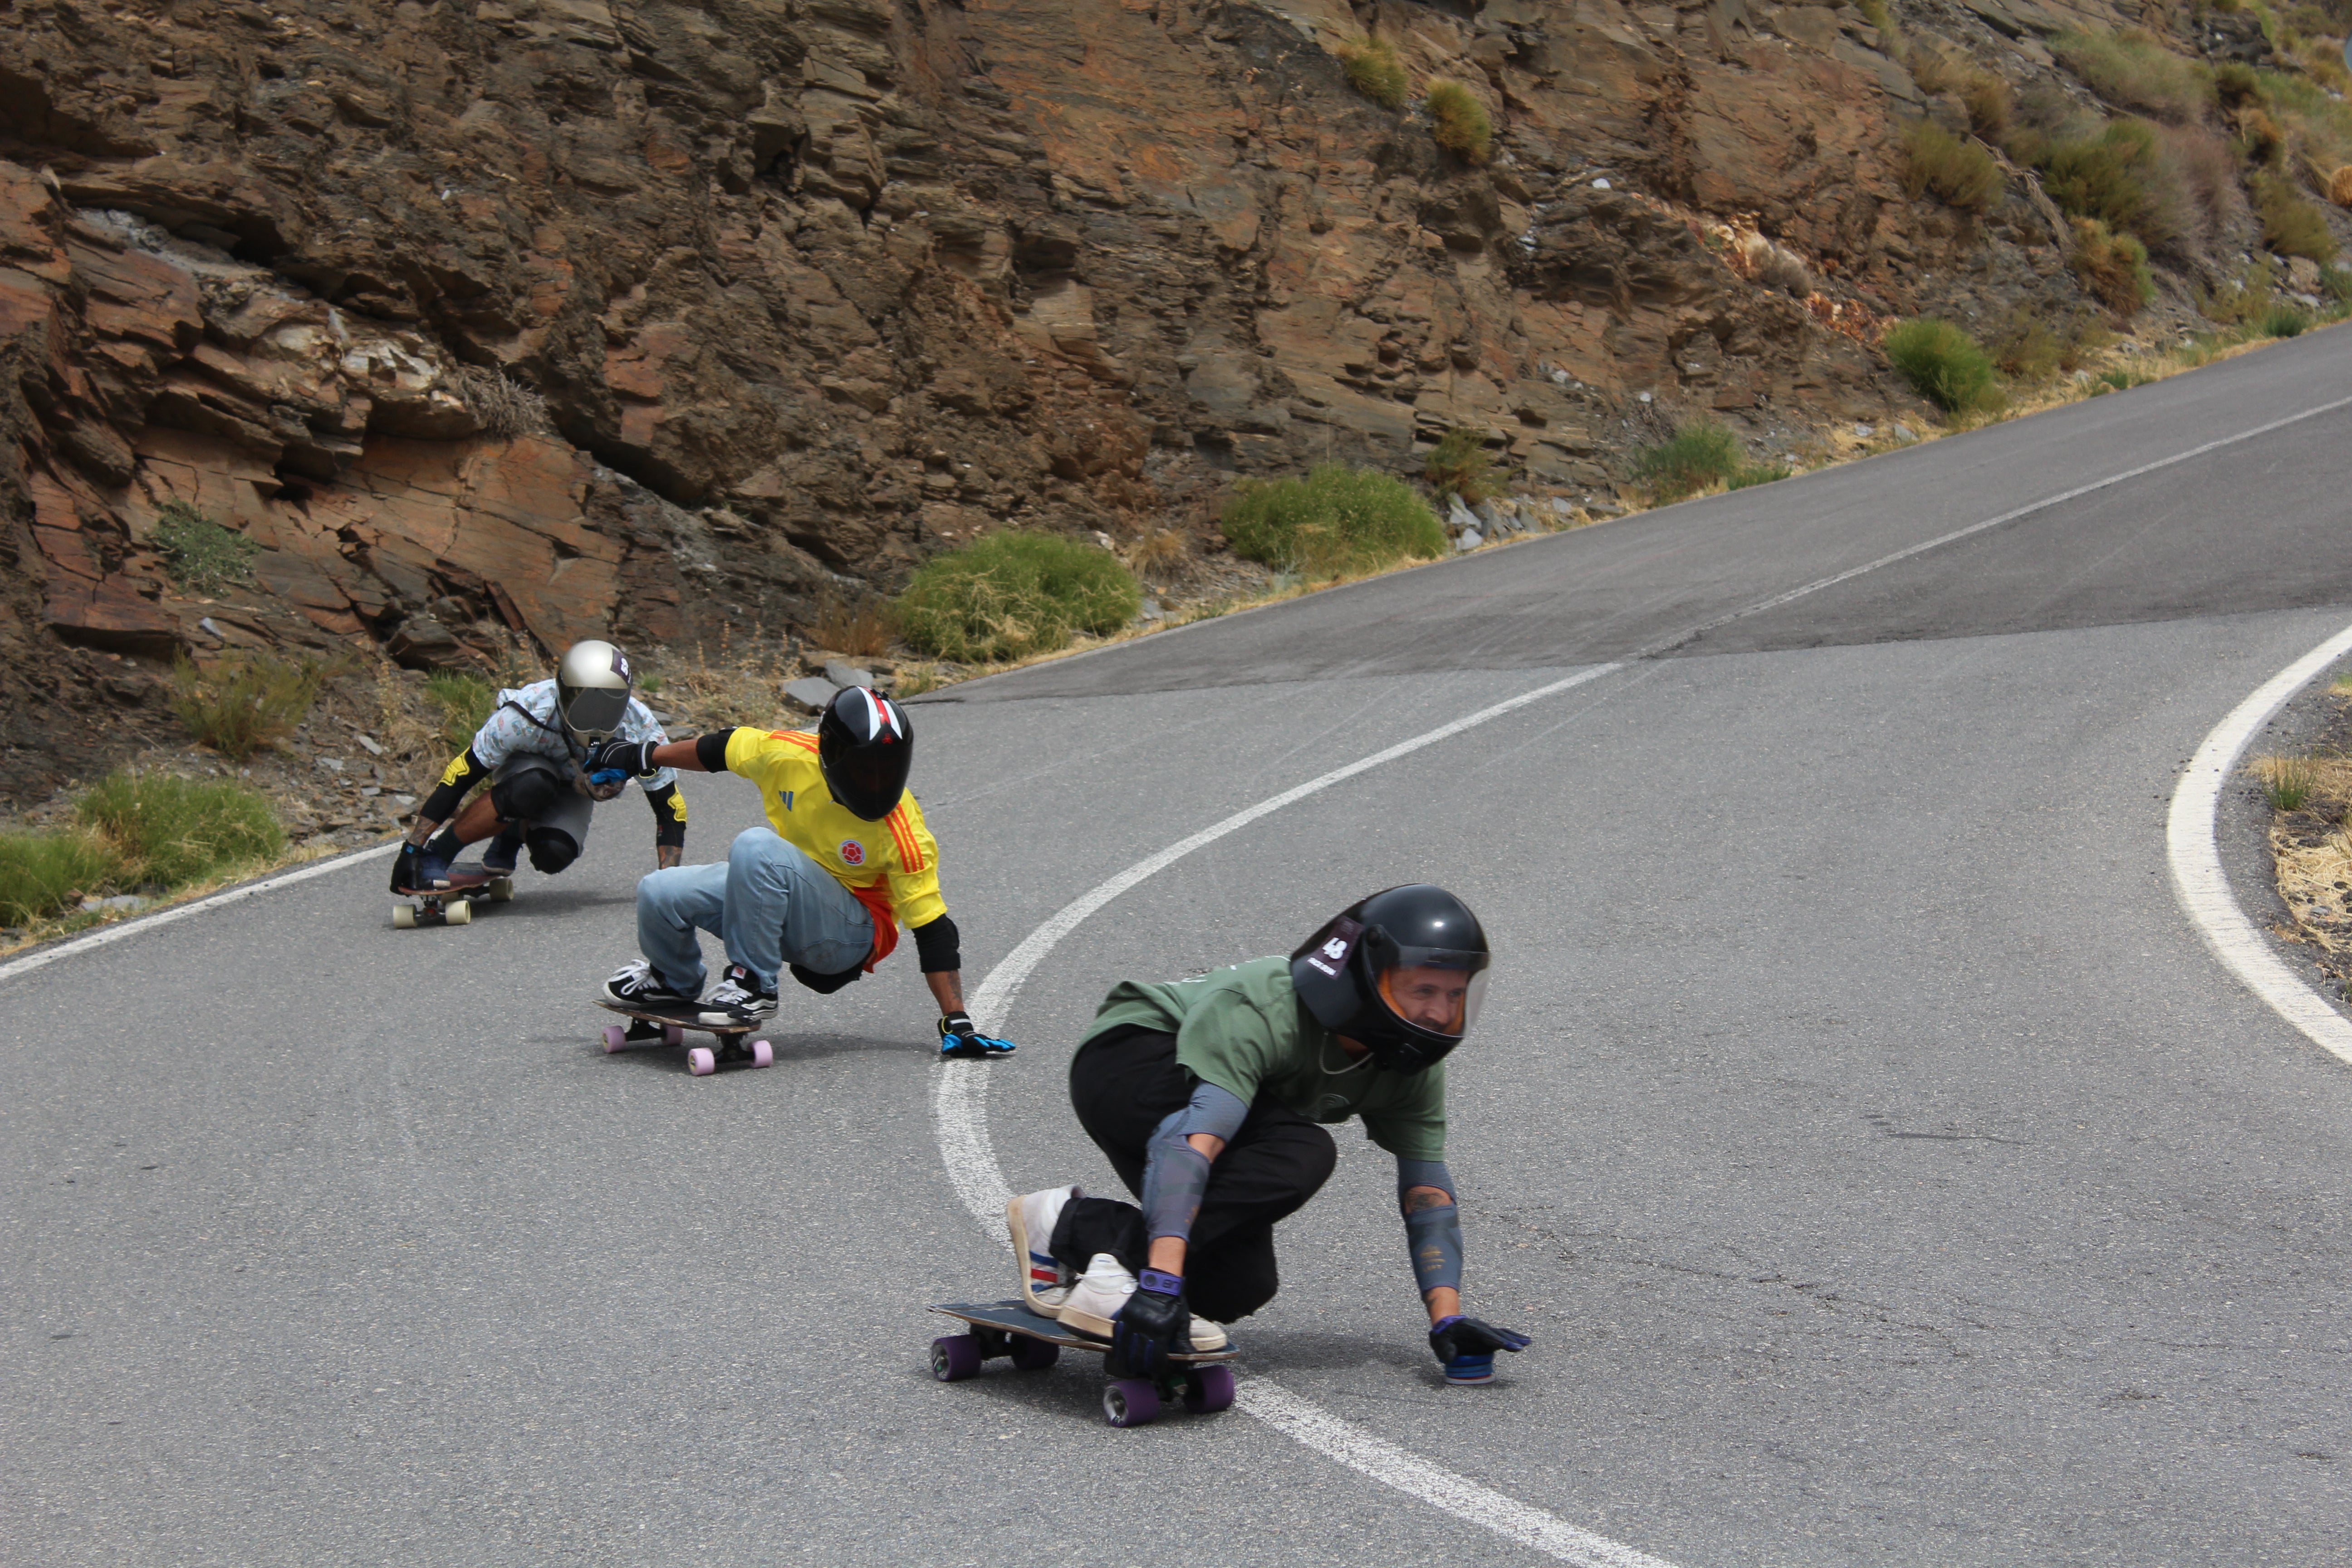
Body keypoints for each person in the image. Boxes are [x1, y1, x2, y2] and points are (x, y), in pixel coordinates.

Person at [1005, 885, 1530, 1382]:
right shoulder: (1266, 1009)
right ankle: (1116, 1266)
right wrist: (1160, 1283)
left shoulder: (1410, 1068)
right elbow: (1193, 1139)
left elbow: (1427, 1195)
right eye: (1423, 991)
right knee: (1302, 1150)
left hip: (1199, 1114)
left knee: (1239, 1285)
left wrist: (1447, 1318)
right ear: (1368, 975)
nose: (1439, 1014)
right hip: (1133, 1059)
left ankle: (1067, 1226)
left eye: (1455, 995)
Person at [583, 685, 1016, 1059]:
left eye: (889, 770)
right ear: (831, 754)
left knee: (757, 847)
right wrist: (643, 754)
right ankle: (670, 982)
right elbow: (717, 749)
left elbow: (934, 930)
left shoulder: (903, 831)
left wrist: (957, 1020)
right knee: (660, 890)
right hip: (781, 896)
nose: (877, 784)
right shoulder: (788, 755)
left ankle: (754, 986)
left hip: (850, 936)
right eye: (865, 771)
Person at [390, 639, 685, 895]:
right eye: (587, 704)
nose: (598, 716)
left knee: (554, 856)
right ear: (563, 693)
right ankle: (439, 856)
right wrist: (414, 849)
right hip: (528, 772)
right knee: (533, 786)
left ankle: (512, 832)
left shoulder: (640, 729)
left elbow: (670, 807)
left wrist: (666, 884)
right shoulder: (524, 715)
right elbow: (460, 776)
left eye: (611, 704)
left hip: (574, 787)